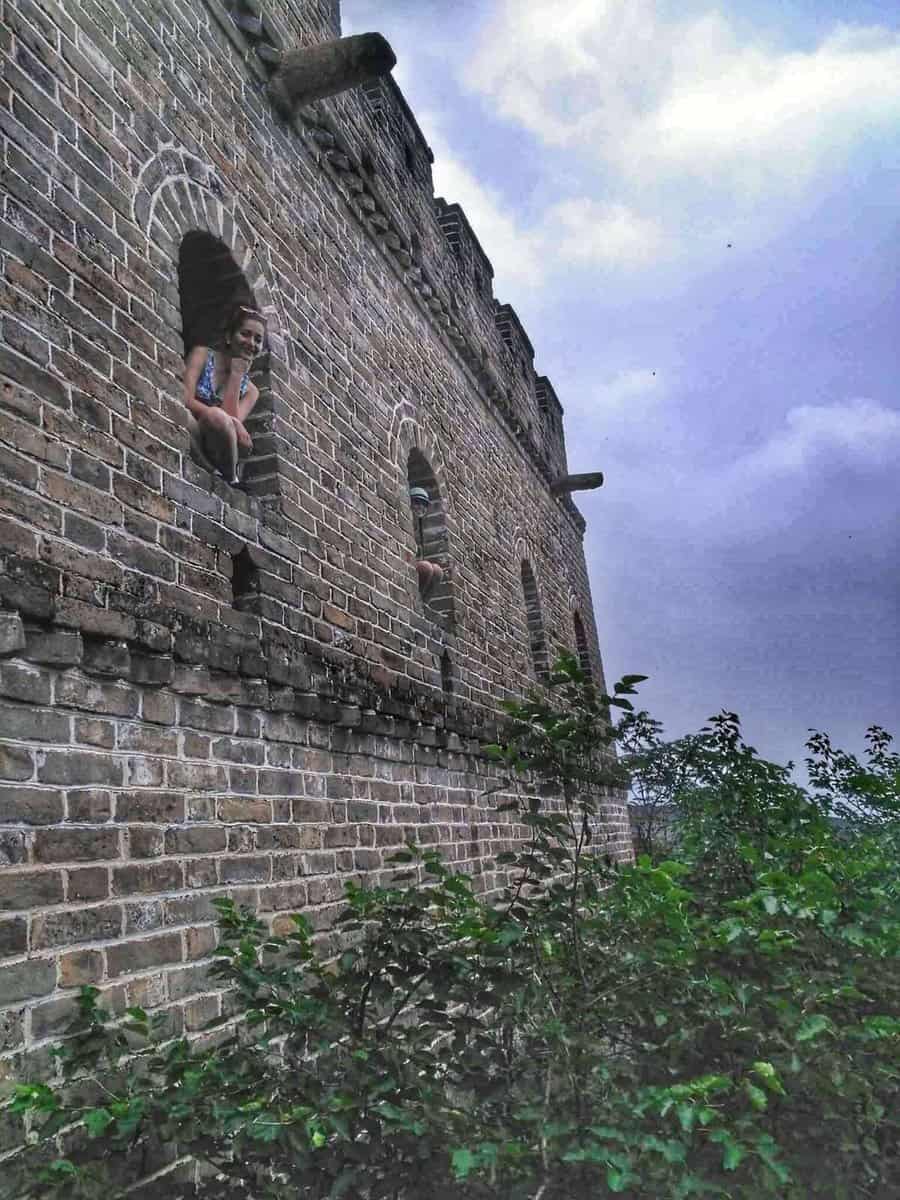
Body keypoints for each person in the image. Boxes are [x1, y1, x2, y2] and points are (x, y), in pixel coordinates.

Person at [183, 305, 266, 485]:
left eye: (258, 340)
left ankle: (230, 475)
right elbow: (186, 399)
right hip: (194, 430)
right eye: (245, 334)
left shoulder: (252, 391)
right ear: (229, 336)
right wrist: (220, 416)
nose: (251, 343)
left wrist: (237, 375)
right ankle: (217, 473)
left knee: (221, 421)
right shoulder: (202, 354)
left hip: (220, 444)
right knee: (183, 415)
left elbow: (230, 427)